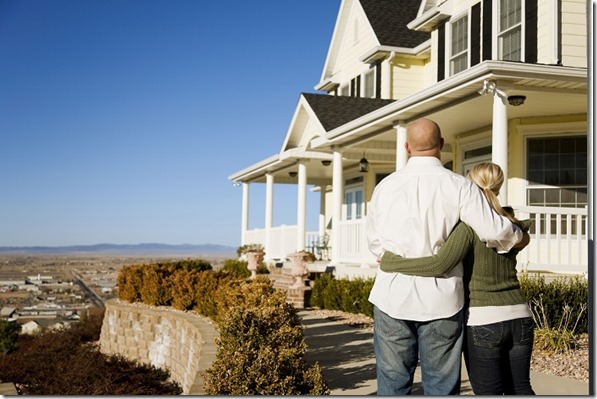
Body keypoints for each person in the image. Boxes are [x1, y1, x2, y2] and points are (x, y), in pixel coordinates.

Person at [366, 118, 529, 395]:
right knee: (441, 387)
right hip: (441, 299)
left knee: (392, 384)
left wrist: (392, 258)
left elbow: (374, 244)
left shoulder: (385, 187)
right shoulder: (458, 186)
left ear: (406, 147)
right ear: (441, 145)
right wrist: (518, 236)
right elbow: (492, 229)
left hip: (391, 294)